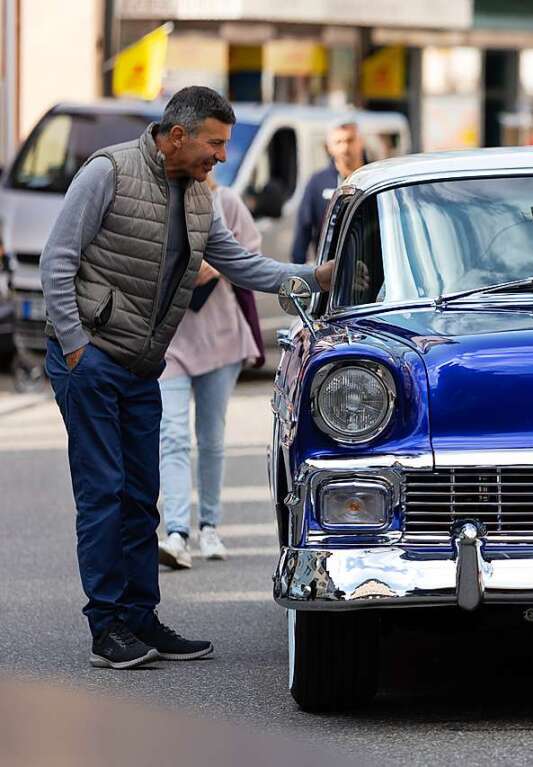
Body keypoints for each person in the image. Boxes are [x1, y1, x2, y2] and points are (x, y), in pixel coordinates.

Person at [39, 86, 335, 670]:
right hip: (92, 359)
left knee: (139, 496)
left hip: (142, 364)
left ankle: (140, 618)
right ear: (178, 135)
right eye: (216, 143)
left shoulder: (201, 196)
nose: (221, 156)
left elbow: (241, 264)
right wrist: (75, 348)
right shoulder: (109, 172)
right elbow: (58, 259)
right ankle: (107, 627)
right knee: (103, 492)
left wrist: (315, 276)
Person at [157, 174, 265, 570]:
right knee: (172, 434)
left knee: (211, 435)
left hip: (220, 336)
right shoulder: (160, 201)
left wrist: (216, 266)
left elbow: (251, 258)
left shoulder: (228, 202)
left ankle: (210, 526)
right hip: (171, 339)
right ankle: (176, 533)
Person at [290, 120, 364, 264]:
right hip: (329, 273)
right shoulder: (317, 183)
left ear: (360, 141)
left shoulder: (375, 178)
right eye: (338, 142)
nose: (345, 148)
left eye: (350, 140)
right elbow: (303, 231)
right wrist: (299, 277)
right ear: (328, 147)